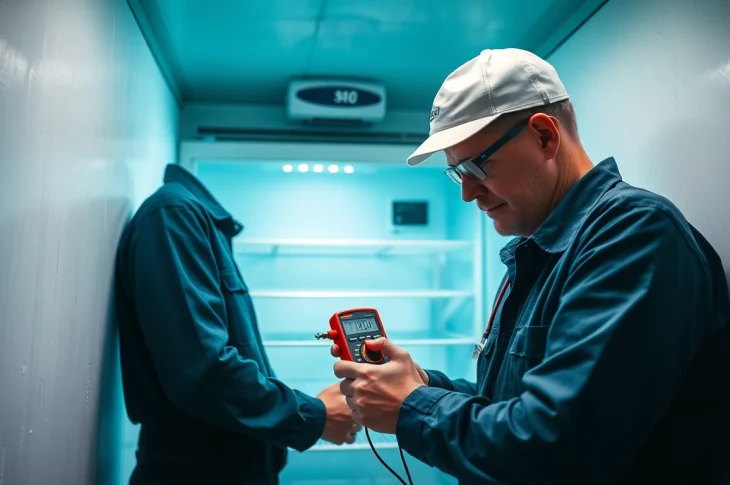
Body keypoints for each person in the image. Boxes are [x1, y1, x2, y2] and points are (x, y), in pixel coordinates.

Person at [331, 48, 730, 484]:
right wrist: (418, 384)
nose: (468, 193)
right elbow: (510, 407)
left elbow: (558, 446)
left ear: (544, 137)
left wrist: (412, 407)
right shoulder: (544, 249)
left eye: (475, 166)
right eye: (456, 174)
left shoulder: (634, 234)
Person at [114, 164, 360, 485]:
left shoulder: (196, 218)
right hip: (197, 471)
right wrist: (314, 415)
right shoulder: (176, 214)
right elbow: (202, 369)